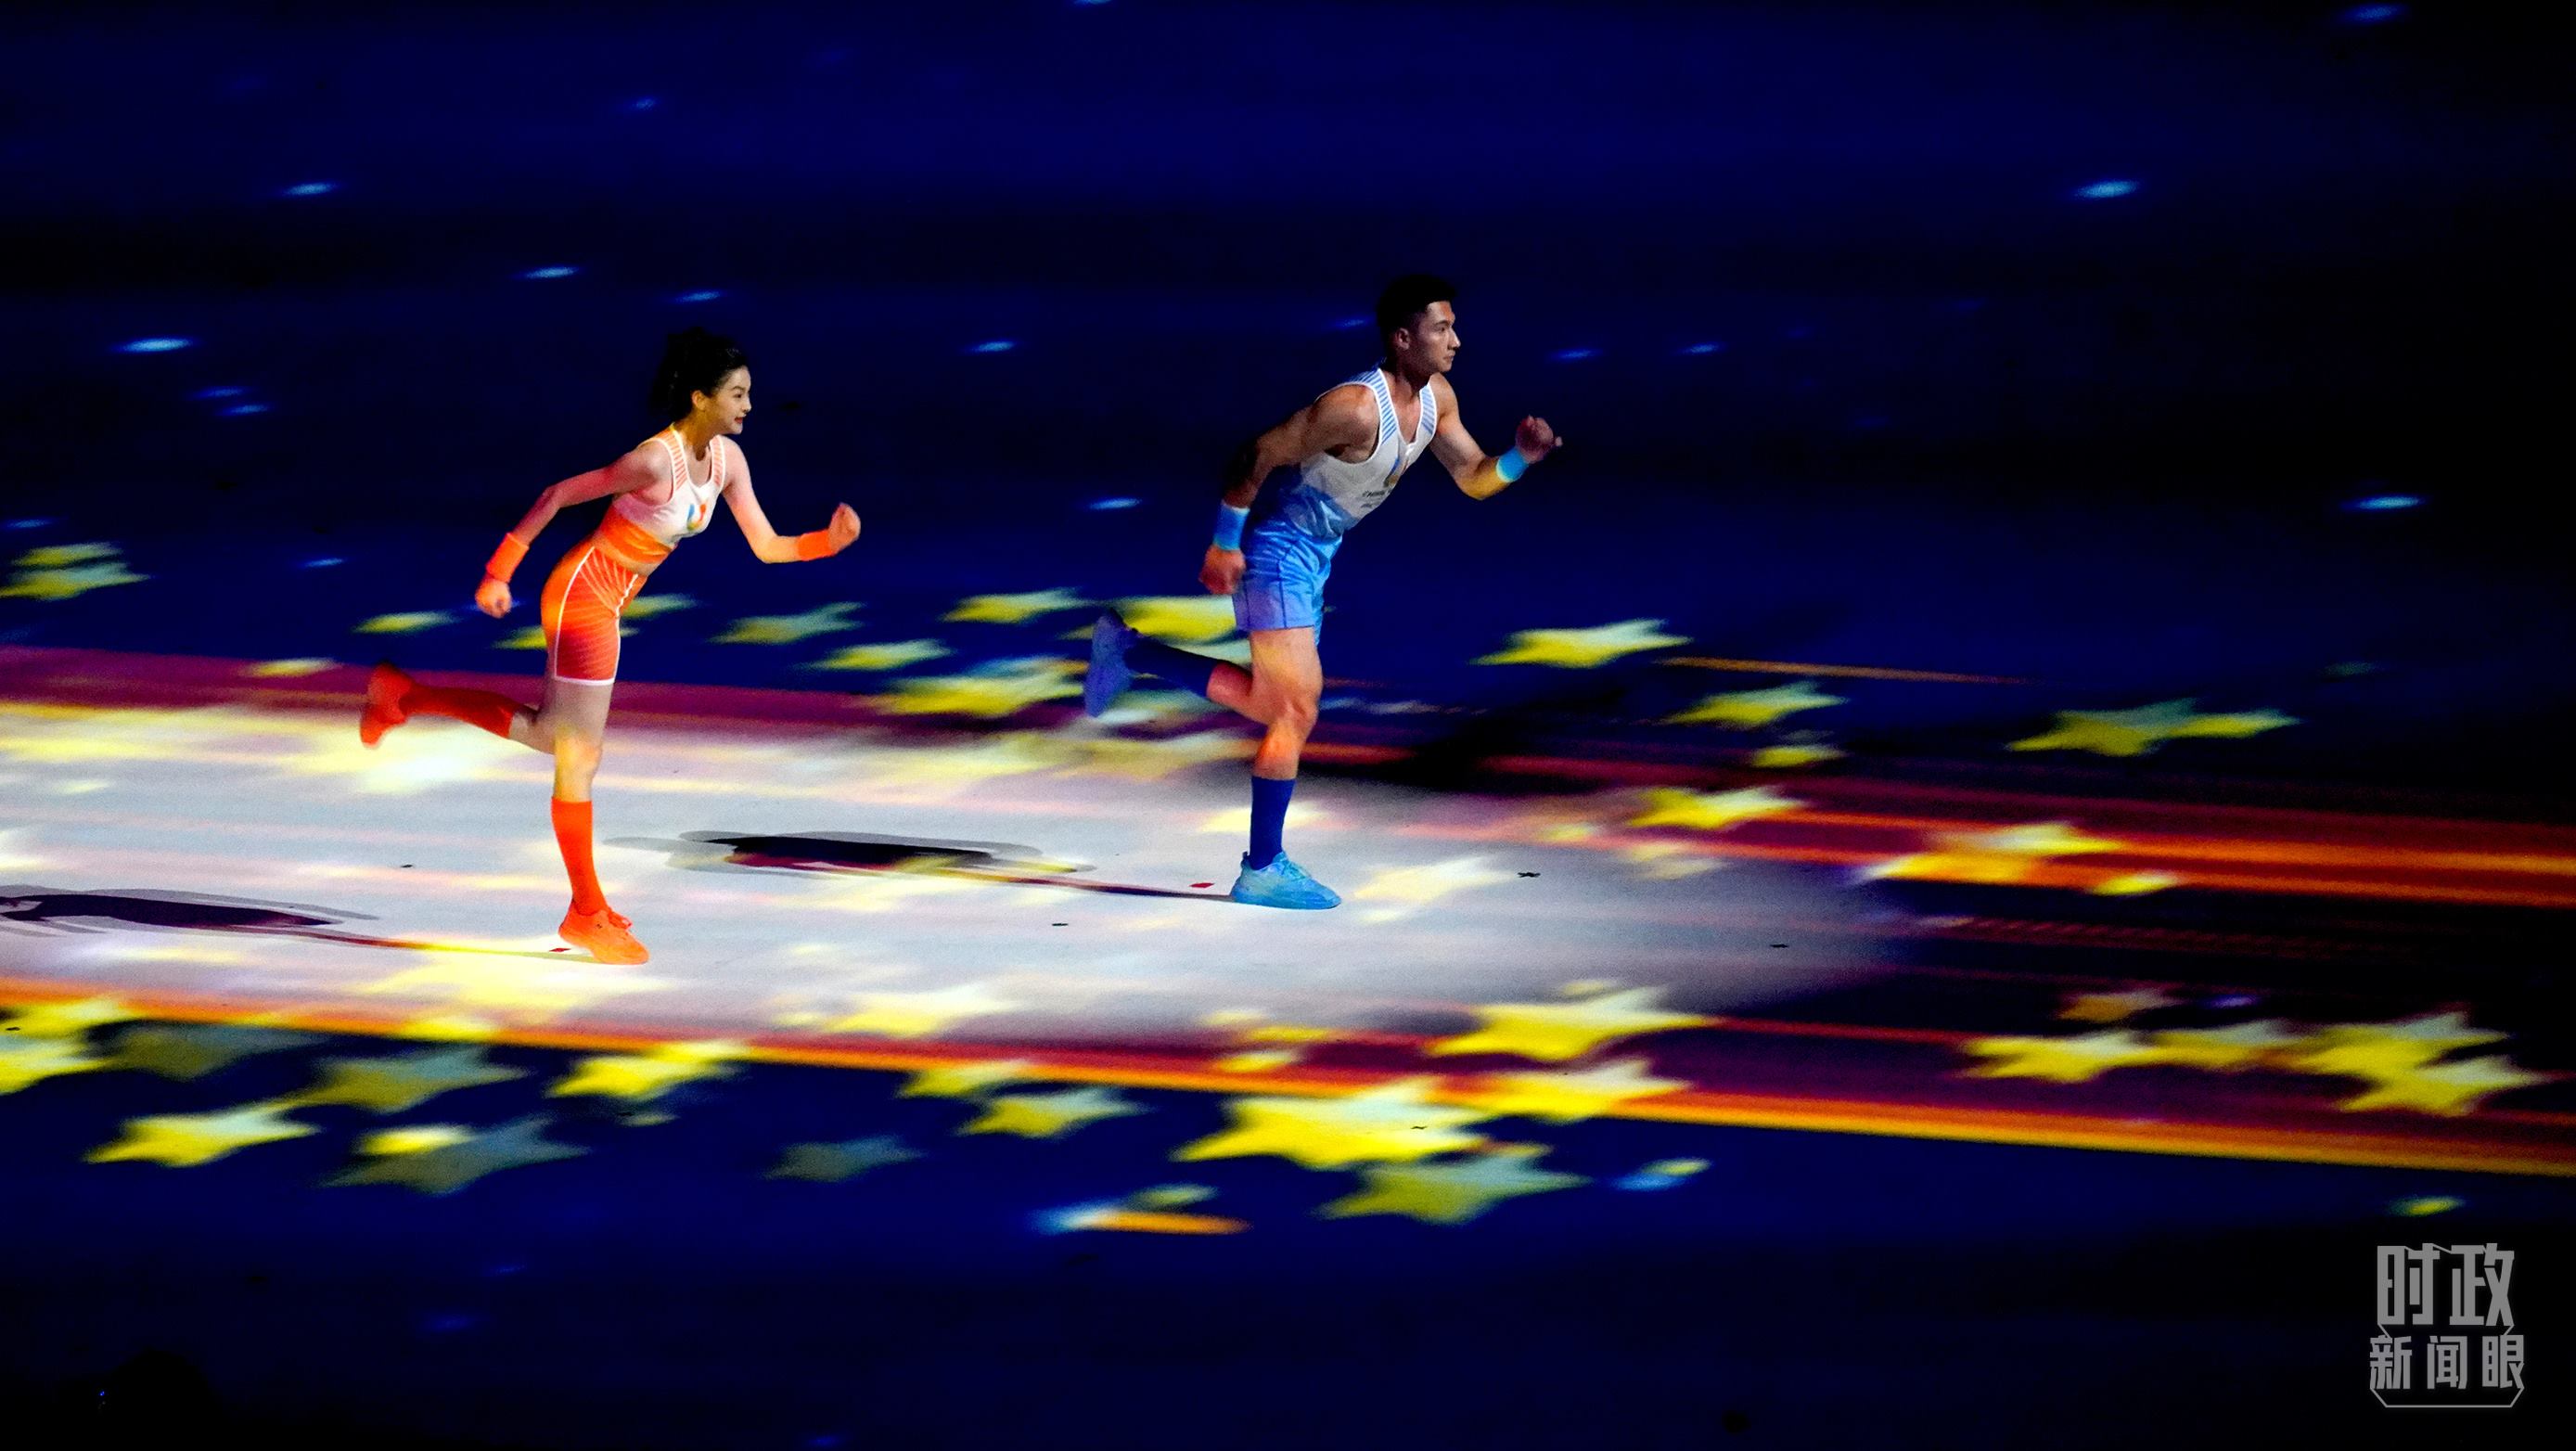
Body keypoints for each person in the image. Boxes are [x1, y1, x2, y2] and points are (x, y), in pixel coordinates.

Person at [358, 327, 861, 962]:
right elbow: (557, 495)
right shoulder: (653, 461)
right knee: (578, 753)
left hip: (606, 600)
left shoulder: (728, 462)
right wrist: (499, 571)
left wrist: (826, 543)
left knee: (553, 737)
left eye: (749, 393)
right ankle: (585, 911)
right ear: (701, 397)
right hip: (583, 596)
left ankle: (403, 697)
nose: (749, 405)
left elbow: (767, 547)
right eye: (737, 394)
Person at [1084, 276, 1560, 909]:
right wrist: (1224, 544)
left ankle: (1128, 651)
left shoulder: (1438, 399)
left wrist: (1520, 458)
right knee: (1295, 711)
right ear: (1403, 338)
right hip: (1278, 554)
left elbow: (1474, 478)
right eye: (1441, 329)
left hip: (1315, 559)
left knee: (1269, 702)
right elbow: (1256, 454)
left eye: (1453, 327)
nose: (1455, 341)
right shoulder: (1353, 409)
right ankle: (1262, 867)